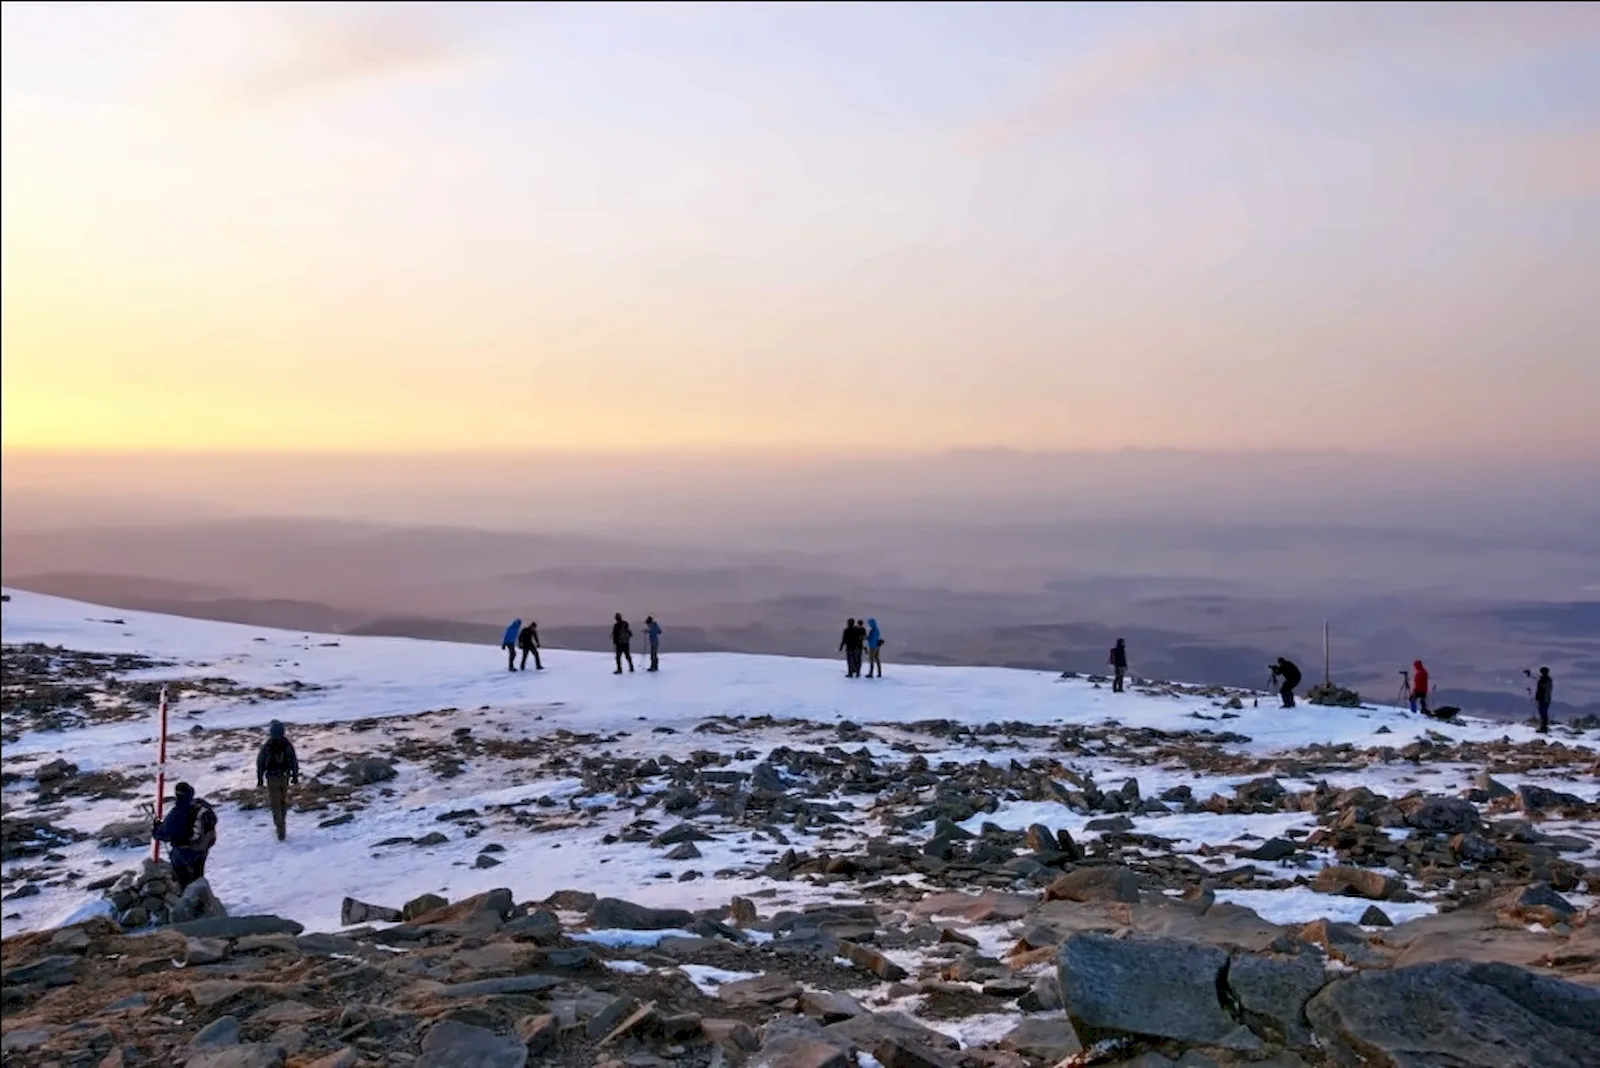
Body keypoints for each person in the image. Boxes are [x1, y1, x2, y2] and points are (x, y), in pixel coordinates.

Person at [151, 782, 217, 890]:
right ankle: (204, 899)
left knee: (185, 883)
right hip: (202, 848)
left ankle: (189, 900)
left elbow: (163, 834)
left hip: (184, 852)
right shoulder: (201, 805)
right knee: (198, 877)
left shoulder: (179, 811)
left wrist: (157, 828)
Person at [256, 720, 300, 842]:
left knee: (275, 804)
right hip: (284, 777)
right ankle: (282, 825)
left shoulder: (268, 745)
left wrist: (260, 780)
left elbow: (260, 763)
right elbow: (293, 761)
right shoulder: (287, 744)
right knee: (282, 802)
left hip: (272, 778)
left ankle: (280, 829)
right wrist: (295, 777)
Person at [1535, 667, 1554, 734]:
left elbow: (1544, 690)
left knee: (1543, 713)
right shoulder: (1546, 680)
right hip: (1544, 699)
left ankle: (1544, 727)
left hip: (1544, 699)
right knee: (1543, 713)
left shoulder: (1545, 680)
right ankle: (1543, 726)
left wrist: (1539, 696)